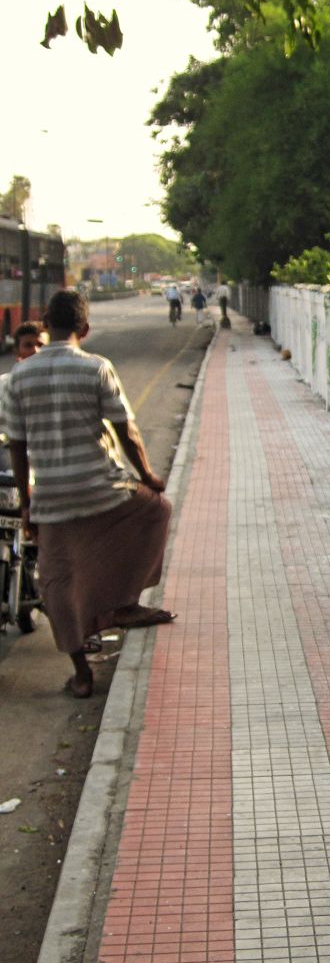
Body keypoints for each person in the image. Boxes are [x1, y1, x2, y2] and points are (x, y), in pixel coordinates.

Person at [3, 290, 175, 698]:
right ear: (85, 328)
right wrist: (147, 475)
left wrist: (28, 505)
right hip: (104, 488)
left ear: (45, 323)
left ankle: (81, 675)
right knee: (157, 512)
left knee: (58, 580)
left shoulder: (17, 378)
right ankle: (124, 602)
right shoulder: (96, 367)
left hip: (52, 497)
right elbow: (124, 429)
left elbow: (17, 444)